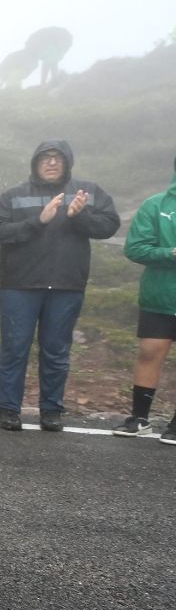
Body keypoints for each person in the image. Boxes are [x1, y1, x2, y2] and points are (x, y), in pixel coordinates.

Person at [0, 140, 120, 432]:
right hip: (19, 286)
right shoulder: (13, 195)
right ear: (35, 162)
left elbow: (110, 226)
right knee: (15, 348)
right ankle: (8, 408)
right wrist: (37, 221)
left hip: (67, 286)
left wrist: (79, 216)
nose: (51, 162)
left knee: (56, 351)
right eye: (45, 157)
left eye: (58, 158)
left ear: (67, 162)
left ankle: (51, 410)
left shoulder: (88, 192)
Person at [113, 156, 176, 443]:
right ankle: (139, 418)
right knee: (150, 352)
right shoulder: (156, 205)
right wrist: (170, 253)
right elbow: (135, 248)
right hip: (159, 296)